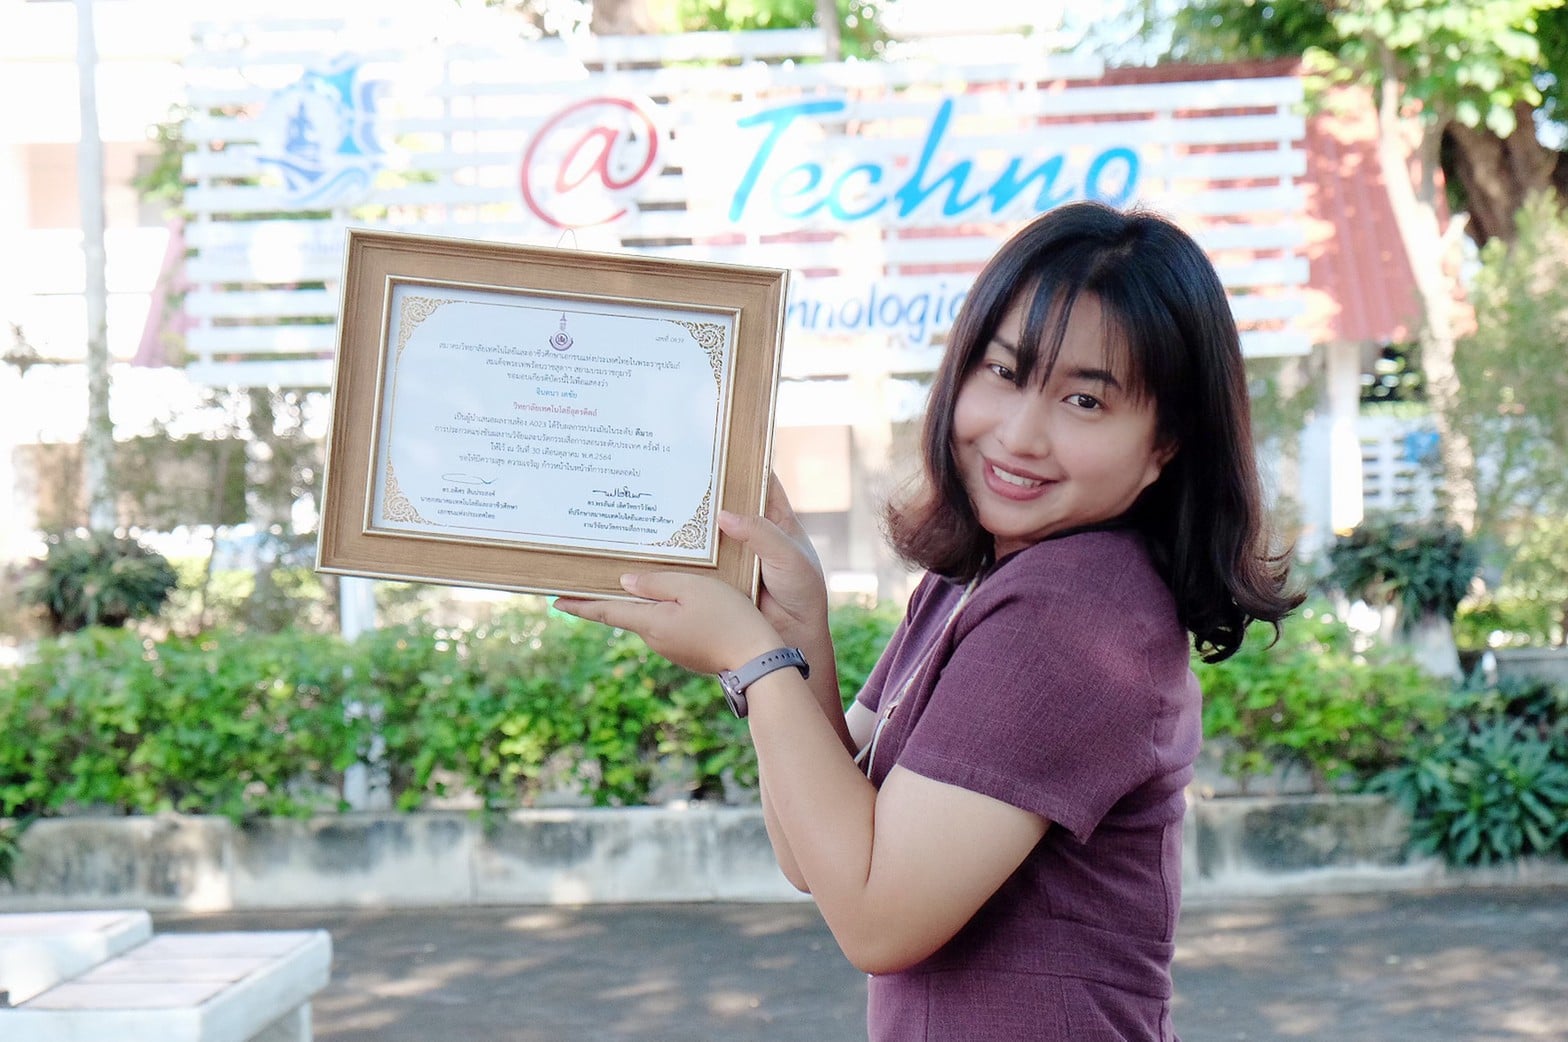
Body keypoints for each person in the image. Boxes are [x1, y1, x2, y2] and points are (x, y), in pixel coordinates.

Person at [555, 201, 1301, 1042]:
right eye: (1003, 373)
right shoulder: (980, 578)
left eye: (1085, 401)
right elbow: (817, 855)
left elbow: (878, 921)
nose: (1020, 435)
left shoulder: (1072, 612)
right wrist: (796, 635)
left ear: (1166, 443)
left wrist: (748, 657)